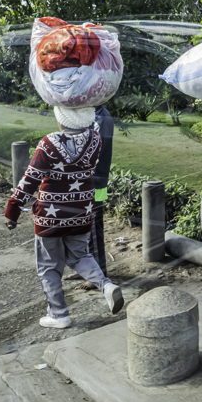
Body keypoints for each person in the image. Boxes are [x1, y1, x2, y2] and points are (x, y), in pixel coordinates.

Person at [4, 105, 124, 329]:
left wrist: (12, 210)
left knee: (49, 266)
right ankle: (106, 286)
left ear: (61, 120)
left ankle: (58, 315)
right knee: (80, 256)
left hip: (50, 217)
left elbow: (30, 180)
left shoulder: (48, 143)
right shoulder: (95, 139)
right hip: (82, 212)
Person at [64, 104, 113, 291]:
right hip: (85, 181)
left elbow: (95, 150)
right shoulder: (92, 114)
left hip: (93, 182)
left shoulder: (101, 118)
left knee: (92, 230)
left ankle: (97, 274)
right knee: (82, 229)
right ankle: (86, 269)